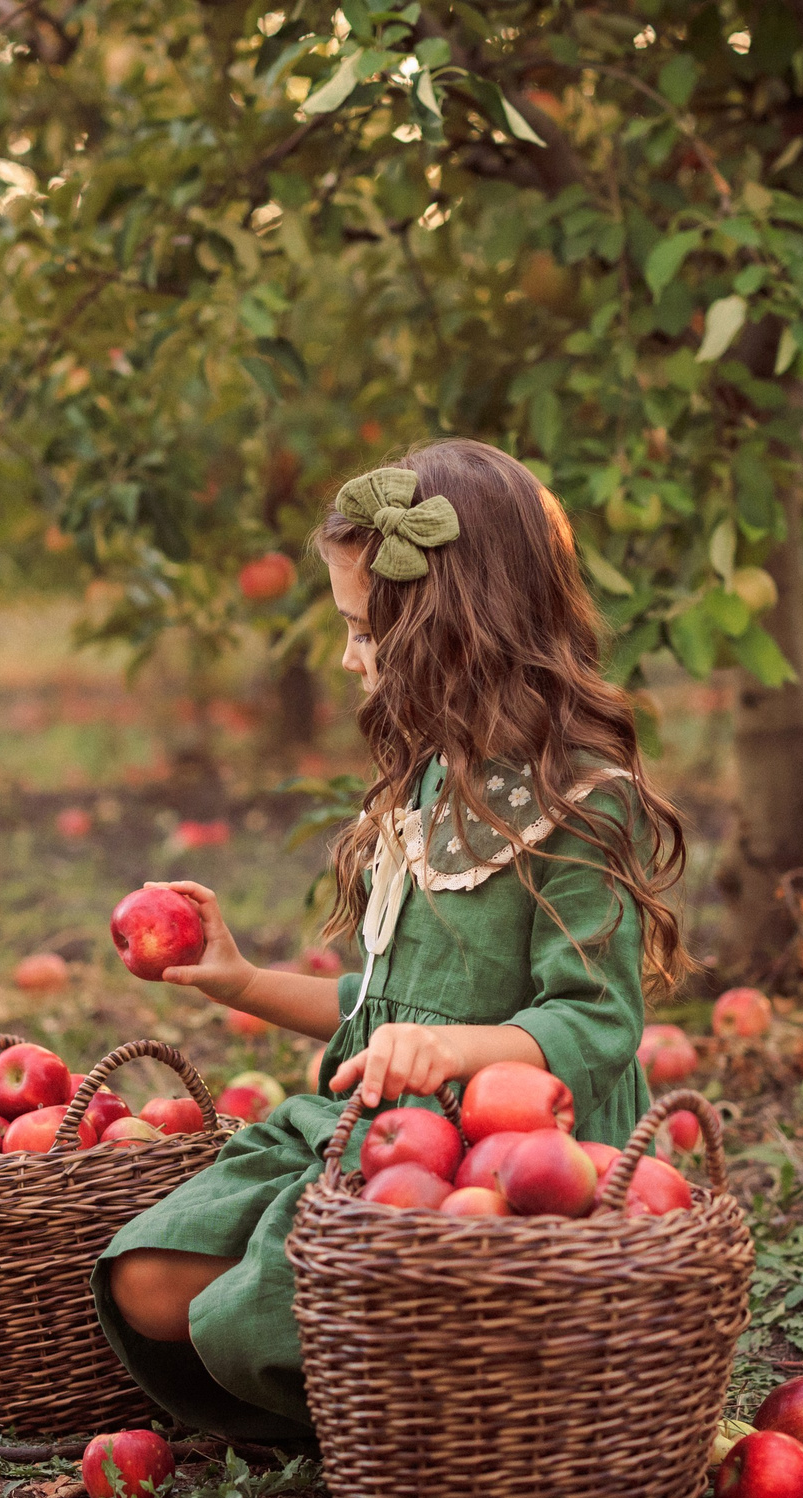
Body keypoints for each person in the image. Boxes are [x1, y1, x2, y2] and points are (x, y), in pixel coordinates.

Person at [93, 438, 693, 1443]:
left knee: (235, 1323)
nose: (348, 658)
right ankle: (392, 1382)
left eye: (363, 632)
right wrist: (240, 980)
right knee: (146, 1282)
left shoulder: (582, 804)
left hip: (506, 1151)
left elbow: (595, 1023)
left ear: (453, 632)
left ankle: (441, 1412)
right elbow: (386, 1014)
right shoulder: (426, 783)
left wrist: (450, 1051)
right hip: (378, 1125)